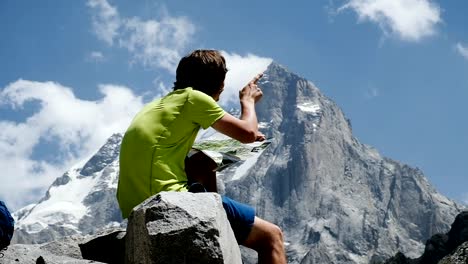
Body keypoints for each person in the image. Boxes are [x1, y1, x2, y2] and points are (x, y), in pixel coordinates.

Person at [117, 49, 286, 263]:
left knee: (202, 161)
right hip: (168, 195)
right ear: (220, 85)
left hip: (136, 202)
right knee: (272, 236)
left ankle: (217, 218)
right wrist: (248, 100)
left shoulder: (157, 106)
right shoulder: (193, 98)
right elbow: (248, 133)